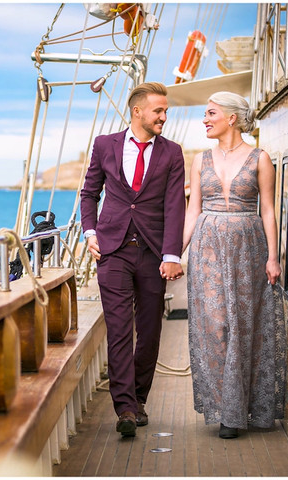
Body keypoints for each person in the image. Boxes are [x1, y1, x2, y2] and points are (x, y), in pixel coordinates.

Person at [80, 81, 186, 437]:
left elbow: (175, 206)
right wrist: (90, 232)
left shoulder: (172, 153)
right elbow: (89, 194)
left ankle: (138, 398)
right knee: (120, 330)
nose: (164, 117)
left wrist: (172, 254)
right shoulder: (104, 145)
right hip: (112, 250)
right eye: (159, 111)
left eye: (166, 112)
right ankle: (125, 407)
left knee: (151, 330)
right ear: (138, 111)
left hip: (153, 252)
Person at [182, 91, 285, 439]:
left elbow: (268, 210)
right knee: (215, 327)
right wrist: (173, 255)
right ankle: (223, 406)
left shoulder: (260, 158)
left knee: (243, 325)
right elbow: (193, 210)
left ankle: (237, 413)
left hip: (248, 248)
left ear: (232, 118)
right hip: (207, 249)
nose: (205, 120)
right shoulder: (199, 160)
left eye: (211, 113)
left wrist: (273, 256)